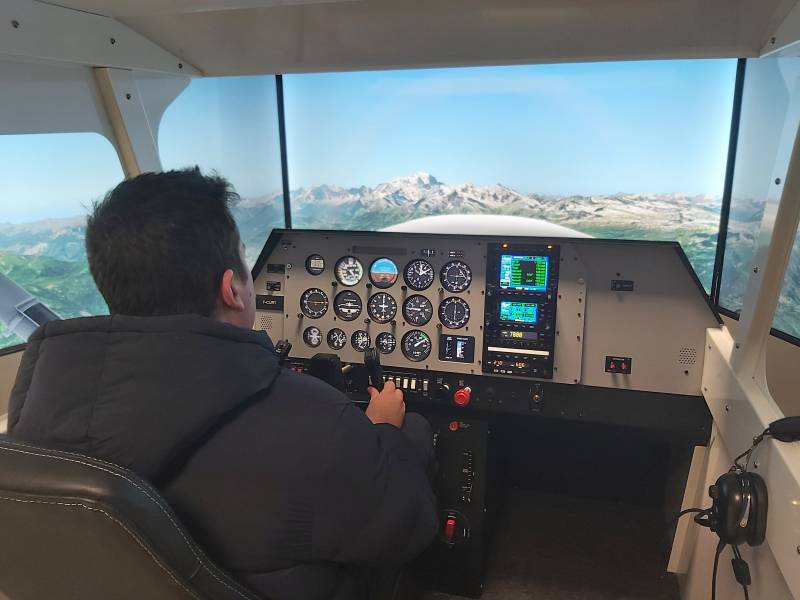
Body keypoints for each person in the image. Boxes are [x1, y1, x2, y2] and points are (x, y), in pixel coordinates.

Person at [7, 168, 439, 599]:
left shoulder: (34, 408)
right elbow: (408, 526)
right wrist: (386, 432)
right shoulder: (315, 422)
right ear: (232, 289)